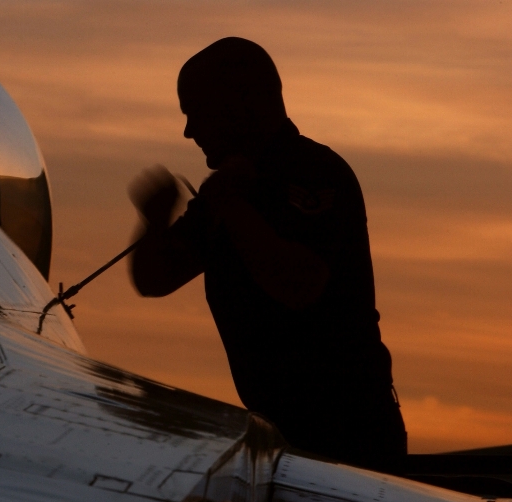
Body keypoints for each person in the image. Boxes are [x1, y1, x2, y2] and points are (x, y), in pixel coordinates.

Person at [129, 37, 406, 470]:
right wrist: (154, 222)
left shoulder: (315, 173)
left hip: (350, 440)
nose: (189, 131)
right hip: (281, 442)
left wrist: (231, 207)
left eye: (195, 111)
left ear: (241, 101)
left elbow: (299, 285)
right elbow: (156, 279)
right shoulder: (225, 191)